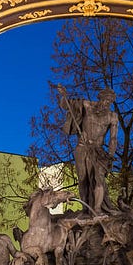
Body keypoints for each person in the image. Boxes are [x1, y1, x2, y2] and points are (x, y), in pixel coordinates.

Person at [55, 86, 121, 214]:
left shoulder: (112, 117)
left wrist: (111, 155)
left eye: (110, 102)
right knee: (83, 179)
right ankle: (86, 209)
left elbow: (113, 138)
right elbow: (66, 105)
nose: (107, 104)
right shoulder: (87, 106)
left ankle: (97, 208)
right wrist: (64, 96)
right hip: (82, 147)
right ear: (100, 98)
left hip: (98, 151)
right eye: (106, 100)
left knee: (98, 178)